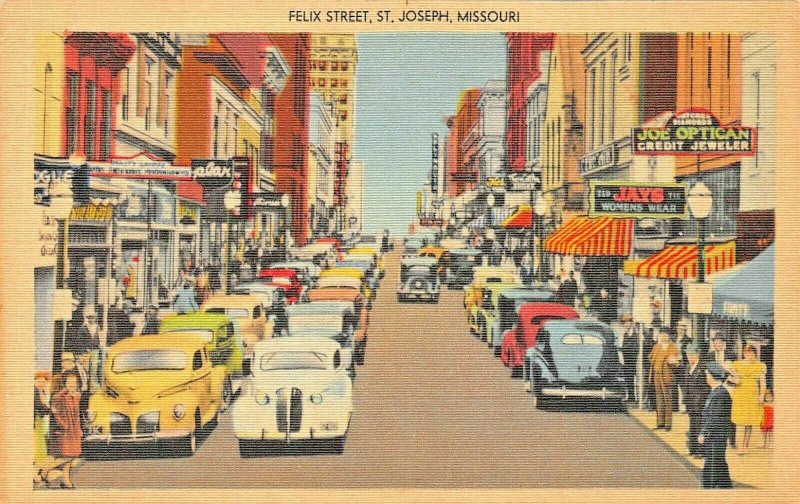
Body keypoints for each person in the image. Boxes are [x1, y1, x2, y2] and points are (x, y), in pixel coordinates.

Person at [699, 361, 733, 489]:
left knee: (712, 465)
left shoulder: (719, 394)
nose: (706, 377)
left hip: (716, 437)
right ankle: (726, 487)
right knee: (719, 464)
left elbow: (715, 418)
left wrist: (704, 433)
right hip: (717, 436)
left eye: (707, 374)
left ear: (712, 376)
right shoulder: (717, 392)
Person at [728, 344, 767, 455]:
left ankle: (745, 446)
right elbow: (729, 377)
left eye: (753, 354)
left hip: (753, 395)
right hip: (740, 395)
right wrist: (735, 377)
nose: (750, 356)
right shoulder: (736, 364)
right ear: (744, 354)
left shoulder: (760, 366)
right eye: (748, 353)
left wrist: (761, 395)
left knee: (749, 422)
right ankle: (740, 446)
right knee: (740, 422)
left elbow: (763, 383)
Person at [50, 373, 83, 489]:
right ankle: (45, 470)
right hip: (64, 430)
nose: (72, 384)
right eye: (69, 381)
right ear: (64, 383)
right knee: (66, 456)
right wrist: (63, 424)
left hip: (74, 430)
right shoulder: (58, 397)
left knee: (71, 455)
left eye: (74, 381)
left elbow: (77, 415)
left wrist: (79, 429)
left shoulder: (77, 395)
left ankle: (66, 480)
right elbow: (55, 412)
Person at [648, 331, 681, 430]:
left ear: (667, 338)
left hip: (667, 377)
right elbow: (650, 357)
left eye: (663, 337)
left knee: (667, 401)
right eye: (660, 338)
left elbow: (676, 362)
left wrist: (674, 362)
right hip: (656, 376)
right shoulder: (656, 347)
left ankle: (668, 424)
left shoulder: (672, 347)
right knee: (659, 400)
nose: (661, 339)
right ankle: (660, 423)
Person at [682, 344, 710, 458]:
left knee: (700, 427)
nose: (688, 357)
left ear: (696, 355)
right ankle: (692, 449)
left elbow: (707, 386)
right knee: (692, 426)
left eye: (690, 355)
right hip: (690, 402)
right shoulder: (688, 367)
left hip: (700, 402)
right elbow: (686, 384)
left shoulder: (703, 367)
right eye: (687, 354)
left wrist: (701, 397)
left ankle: (701, 451)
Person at [616, 314, 638, 402]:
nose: (626, 324)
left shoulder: (634, 334)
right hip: (624, 359)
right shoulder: (623, 333)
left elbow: (632, 347)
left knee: (632, 378)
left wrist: (621, 349)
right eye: (624, 322)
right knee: (627, 378)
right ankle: (630, 396)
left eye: (628, 322)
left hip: (631, 359)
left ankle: (634, 397)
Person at [33, 372, 52, 464]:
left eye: (43, 382)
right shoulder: (35, 391)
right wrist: (50, 410)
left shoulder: (41, 391)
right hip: (36, 418)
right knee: (37, 438)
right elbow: (39, 405)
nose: (41, 384)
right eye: (39, 381)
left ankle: (40, 459)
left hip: (40, 419)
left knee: (40, 437)